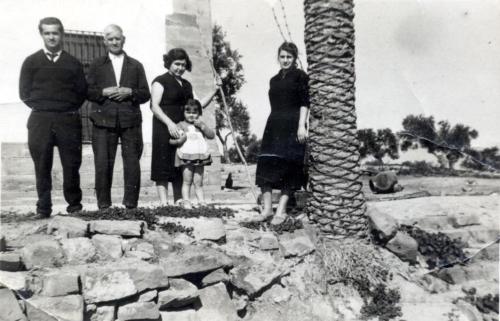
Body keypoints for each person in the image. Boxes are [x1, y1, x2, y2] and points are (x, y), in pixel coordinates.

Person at [19, 17, 87, 218]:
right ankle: (43, 208)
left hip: (68, 119)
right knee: (41, 165)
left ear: (62, 35)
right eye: (47, 33)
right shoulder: (31, 62)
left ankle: (74, 207)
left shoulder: (73, 63)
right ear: (41, 35)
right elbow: (24, 92)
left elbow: (81, 92)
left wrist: (64, 108)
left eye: (55, 33)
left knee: (72, 165)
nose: (51, 37)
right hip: (40, 120)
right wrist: (44, 107)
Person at [86, 24, 150, 210]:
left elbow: (145, 94)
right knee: (103, 164)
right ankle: (104, 206)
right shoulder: (97, 65)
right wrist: (104, 92)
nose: (114, 42)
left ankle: (131, 205)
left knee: (132, 163)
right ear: (104, 41)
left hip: (130, 120)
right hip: (103, 120)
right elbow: (88, 91)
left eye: (117, 38)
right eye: (110, 38)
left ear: (124, 39)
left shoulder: (136, 65)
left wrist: (130, 92)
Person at [150, 48, 220, 206]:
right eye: (176, 64)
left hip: (182, 128)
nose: (180, 68)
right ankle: (163, 203)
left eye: (183, 65)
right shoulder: (160, 81)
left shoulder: (187, 84)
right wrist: (169, 124)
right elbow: (154, 106)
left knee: (180, 163)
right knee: (162, 164)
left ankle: (179, 200)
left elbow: (198, 104)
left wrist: (214, 90)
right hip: (164, 126)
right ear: (169, 63)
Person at [256, 41, 309, 225]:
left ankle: (281, 210)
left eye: (289, 57)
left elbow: (304, 103)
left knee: (289, 167)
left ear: (294, 59)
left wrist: (301, 126)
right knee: (266, 163)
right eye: (282, 56)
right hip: (274, 124)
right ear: (278, 57)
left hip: (293, 125)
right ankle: (268, 209)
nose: (285, 60)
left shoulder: (300, 76)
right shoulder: (274, 79)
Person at [169, 99, 215, 208]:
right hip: (186, 157)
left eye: (195, 112)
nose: (191, 115)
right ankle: (186, 201)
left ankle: (201, 201)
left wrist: (203, 126)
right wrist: (179, 141)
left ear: (199, 113)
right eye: (188, 112)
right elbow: (170, 140)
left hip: (200, 156)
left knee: (198, 181)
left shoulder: (200, 125)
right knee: (187, 180)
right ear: (183, 113)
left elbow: (211, 135)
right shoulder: (180, 125)